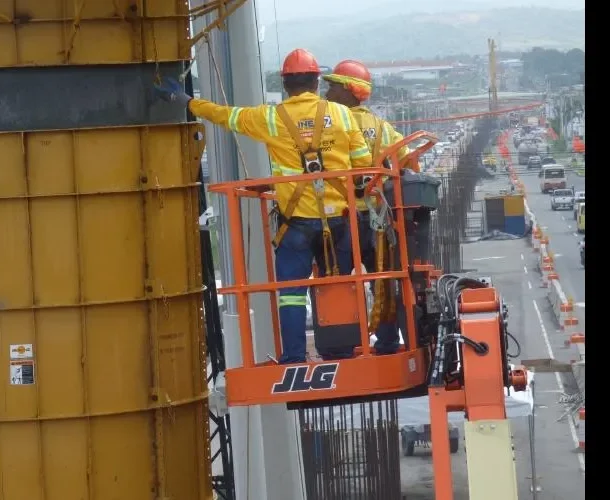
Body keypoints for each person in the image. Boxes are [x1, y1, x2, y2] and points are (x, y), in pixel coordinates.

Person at [154, 48, 373, 364]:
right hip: (338, 220)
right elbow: (363, 166)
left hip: (296, 222)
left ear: (286, 85)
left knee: (291, 294)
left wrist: (187, 102)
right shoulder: (340, 115)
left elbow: (225, 115)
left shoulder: (270, 118)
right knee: (336, 283)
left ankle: (295, 355)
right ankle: (338, 349)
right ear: (315, 83)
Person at [322, 59, 416, 355]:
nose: (327, 93)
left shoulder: (332, 126)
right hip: (378, 221)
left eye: (333, 87)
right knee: (382, 281)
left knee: (336, 280)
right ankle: (388, 342)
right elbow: (408, 160)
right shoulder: (382, 128)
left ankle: (338, 346)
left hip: (342, 218)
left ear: (350, 91)